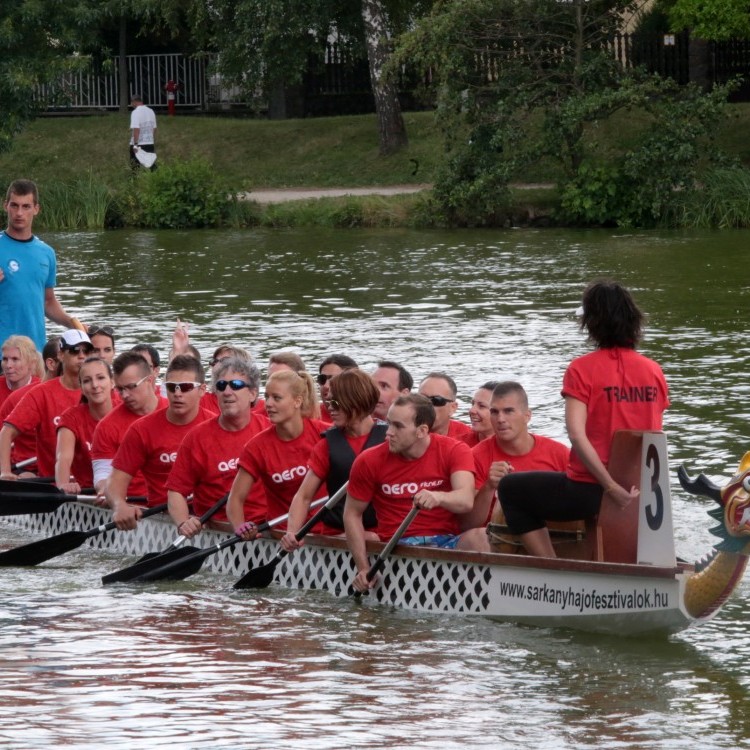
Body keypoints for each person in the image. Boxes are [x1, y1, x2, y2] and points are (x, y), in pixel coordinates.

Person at [499, 280, 670, 557]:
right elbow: (653, 434)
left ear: (592, 323)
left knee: (511, 489)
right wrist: (625, 488)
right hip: (643, 492)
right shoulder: (654, 371)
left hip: (591, 491)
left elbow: (577, 436)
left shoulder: (582, 369)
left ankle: (552, 571)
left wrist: (611, 488)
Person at [344, 393, 486, 593]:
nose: (388, 433)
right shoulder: (368, 460)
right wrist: (363, 568)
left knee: (482, 537)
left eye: (398, 426)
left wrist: (438, 497)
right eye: (388, 424)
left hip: (448, 541)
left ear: (421, 431)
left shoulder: (454, 450)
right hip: (397, 548)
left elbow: (465, 500)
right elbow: (352, 514)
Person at [281, 368, 386, 550]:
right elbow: (304, 496)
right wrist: (292, 532)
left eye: (335, 402)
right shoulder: (327, 445)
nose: (330, 408)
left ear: (355, 403)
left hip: (384, 534)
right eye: (328, 402)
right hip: (338, 536)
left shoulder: (390, 439)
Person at [167, 357, 270, 537]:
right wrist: (184, 522)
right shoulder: (197, 438)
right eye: (221, 386)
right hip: (218, 532)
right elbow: (176, 492)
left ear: (253, 394)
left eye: (236, 385)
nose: (227, 392)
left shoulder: (269, 430)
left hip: (267, 528)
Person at [108, 355, 213, 530]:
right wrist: (120, 505)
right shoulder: (142, 430)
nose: (178, 393)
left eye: (186, 387)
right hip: (163, 521)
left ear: (202, 389)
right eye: (171, 387)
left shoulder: (216, 426)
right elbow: (114, 483)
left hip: (211, 518)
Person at [227, 370, 329, 538]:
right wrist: (240, 528)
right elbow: (235, 500)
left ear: (297, 401)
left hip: (326, 534)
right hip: (282, 535)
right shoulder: (257, 447)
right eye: (266, 397)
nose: (268, 404)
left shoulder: (325, 434)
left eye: (276, 398)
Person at [471, 381, 569, 526]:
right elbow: (467, 524)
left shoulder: (560, 454)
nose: (500, 419)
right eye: (494, 412)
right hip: (496, 540)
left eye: (508, 411)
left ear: (527, 416)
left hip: (553, 535)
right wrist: (489, 486)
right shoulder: (475, 455)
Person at [0, 329, 93, 479]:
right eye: (75, 351)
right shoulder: (41, 393)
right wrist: (5, 472)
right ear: (61, 355)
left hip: (94, 481)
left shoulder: (100, 391)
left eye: (87, 351)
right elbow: (6, 433)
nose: (82, 356)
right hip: (52, 482)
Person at [0, 179, 79, 351]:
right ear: (5, 206)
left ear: (36, 209)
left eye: (26, 206)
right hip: (3, 354)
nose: (19, 213)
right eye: (14, 205)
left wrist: (71, 323)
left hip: (35, 352)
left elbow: (48, 301)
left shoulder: (46, 253)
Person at [91, 351, 166, 497]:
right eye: (120, 389)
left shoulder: (174, 413)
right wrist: (105, 489)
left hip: (181, 503)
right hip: (132, 506)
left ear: (150, 380)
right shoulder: (107, 426)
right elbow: (102, 473)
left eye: (131, 387)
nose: (125, 395)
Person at [55, 357, 115, 494]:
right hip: (89, 496)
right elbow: (63, 458)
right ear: (81, 388)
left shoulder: (126, 412)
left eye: (100, 378)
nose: (95, 385)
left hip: (131, 495)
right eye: (87, 381)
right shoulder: (71, 418)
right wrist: (63, 484)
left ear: (112, 382)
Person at [418, 372, 472, 440]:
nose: (427, 406)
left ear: (452, 408)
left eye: (436, 401)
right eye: (421, 399)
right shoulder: (404, 434)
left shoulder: (468, 436)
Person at [0, 335, 43, 407]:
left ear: (31, 362)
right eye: (5, 359)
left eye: (15, 359)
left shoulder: (42, 389)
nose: (8, 365)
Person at [317, 354, 357, 421]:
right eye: (322, 379)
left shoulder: (370, 417)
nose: (325, 386)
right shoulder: (308, 416)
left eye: (334, 380)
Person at [460, 381, 499, 448]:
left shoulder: (517, 447)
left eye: (482, 406)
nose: (471, 410)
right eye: (472, 404)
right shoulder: (457, 446)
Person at [129, 94, 157, 169]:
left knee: (135, 166)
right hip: (150, 142)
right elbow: (154, 128)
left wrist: (135, 144)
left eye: (131, 103)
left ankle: (135, 180)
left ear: (134, 102)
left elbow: (136, 129)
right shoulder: (151, 111)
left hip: (139, 144)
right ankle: (156, 179)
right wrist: (151, 138)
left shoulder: (135, 112)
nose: (131, 105)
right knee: (151, 164)